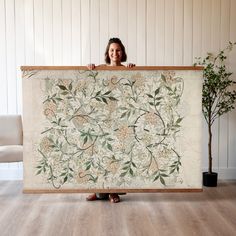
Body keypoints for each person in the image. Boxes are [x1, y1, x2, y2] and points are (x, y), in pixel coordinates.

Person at [86, 38, 135, 203]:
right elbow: (90, 85)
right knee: (100, 153)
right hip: (102, 116)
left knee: (116, 154)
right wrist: (89, 69)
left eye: (118, 50)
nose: (115, 53)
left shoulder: (127, 69)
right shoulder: (100, 69)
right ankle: (99, 191)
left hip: (120, 117)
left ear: (123, 52)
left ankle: (113, 191)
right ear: (107, 53)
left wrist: (132, 70)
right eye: (112, 50)